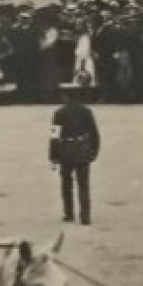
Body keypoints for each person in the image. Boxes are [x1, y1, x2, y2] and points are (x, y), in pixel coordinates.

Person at [49, 82, 101, 225]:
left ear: (65, 96)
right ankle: (85, 216)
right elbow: (94, 133)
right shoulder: (86, 111)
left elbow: (54, 136)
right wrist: (94, 151)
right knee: (84, 184)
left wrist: (53, 156)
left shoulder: (59, 113)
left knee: (66, 184)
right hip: (83, 150)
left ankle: (69, 213)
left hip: (66, 151)